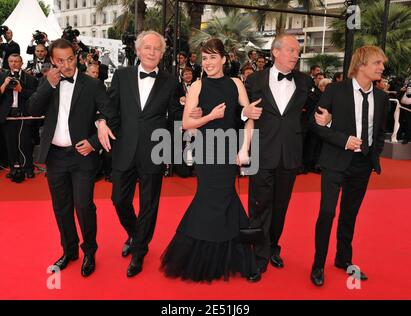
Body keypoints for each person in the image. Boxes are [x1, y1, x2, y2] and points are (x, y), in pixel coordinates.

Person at [160, 38, 262, 282]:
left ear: (224, 59)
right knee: (209, 199)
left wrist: (245, 149)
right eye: (204, 58)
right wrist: (210, 116)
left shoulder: (236, 83)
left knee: (226, 198)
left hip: (229, 150)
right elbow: (186, 124)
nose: (208, 63)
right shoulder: (196, 86)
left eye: (213, 57)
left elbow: (248, 117)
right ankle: (225, 257)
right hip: (206, 151)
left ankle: (236, 257)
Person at [96, 30, 195, 277]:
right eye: (147, 48)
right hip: (124, 147)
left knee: (150, 204)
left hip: (155, 149)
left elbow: (174, 114)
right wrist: (100, 121)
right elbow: (110, 107)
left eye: (157, 49)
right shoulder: (121, 76)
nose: (152, 52)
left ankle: (140, 250)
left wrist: (190, 114)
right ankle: (134, 233)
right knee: (119, 200)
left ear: (162, 54)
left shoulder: (171, 81)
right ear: (138, 51)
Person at [28, 38, 113, 277]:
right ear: (52, 61)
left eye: (70, 59)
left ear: (76, 57)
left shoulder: (92, 85)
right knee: (61, 208)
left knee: (83, 205)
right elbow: (32, 109)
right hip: (55, 156)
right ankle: (69, 250)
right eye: (60, 61)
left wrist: (95, 142)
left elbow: (111, 116)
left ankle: (89, 251)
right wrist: (48, 85)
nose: (66, 65)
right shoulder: (48, 82)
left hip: (82, 156)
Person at [309, 46, 389, 286]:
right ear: (362, 64)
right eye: (377, 63)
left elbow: (381, 131)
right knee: (327, 212)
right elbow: (316, 125)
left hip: (363, 164)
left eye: (382, 64)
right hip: (335, 161)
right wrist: (343, 140)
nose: (381, 68)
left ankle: (343, 259)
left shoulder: (382, 97)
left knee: (349, 215)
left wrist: (374, 153)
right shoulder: (335, 90)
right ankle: (317, 265)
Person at [243, 34, 319, 274]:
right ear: (275, 52)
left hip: (290, 153)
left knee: (280, 206)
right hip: (261, 150)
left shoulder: (305, 81)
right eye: (291, 50)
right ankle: (258, 254)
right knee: (258, 205)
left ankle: (273, 246)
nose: (296, 55)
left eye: (298, 51)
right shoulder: (254, 80)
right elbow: (239, 110)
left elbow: (312, 113)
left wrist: (302, 129)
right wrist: (245, 112)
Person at [0, 54, 38, 179]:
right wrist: (5, 85)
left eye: (16, 61)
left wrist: (21, 89)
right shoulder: (2, 77)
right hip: (8, 114)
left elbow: (36, 97)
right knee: (10, 144)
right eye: (11, 61)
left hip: (24, 114)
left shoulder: (30, 79)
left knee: (26, 143)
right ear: (8, 63)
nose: (13, 63)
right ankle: (13, 168)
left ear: (21, 63)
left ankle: (28, 168)